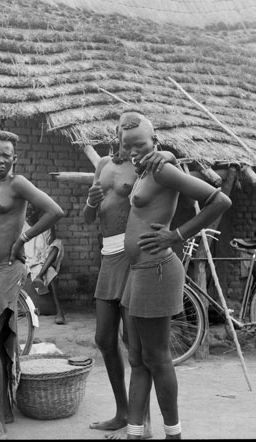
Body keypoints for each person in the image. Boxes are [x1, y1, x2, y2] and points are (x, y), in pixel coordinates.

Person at [119, 111, 231, 439]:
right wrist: (165, 154)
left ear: (154, 142)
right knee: (137, 357)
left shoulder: (162, 169)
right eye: (128, 146)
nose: (134, 151)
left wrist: (177, 235)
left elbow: (218, 199)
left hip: (157, 269)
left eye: (141, 145)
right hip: (138, 271)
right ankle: (135, 431)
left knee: (157, 357)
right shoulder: (142, 169)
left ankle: (173, 434)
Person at [83, 110, 180, 439]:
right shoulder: (102, 166)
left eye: (134, 140)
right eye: (121, 136)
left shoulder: (147, 164)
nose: (127, 144)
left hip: (132, 255)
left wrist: (165, 153)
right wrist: (90, 202)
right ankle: (123, 412)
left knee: (135, 345)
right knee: (104, 339)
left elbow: (169, 162)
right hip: (108, 257)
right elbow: (87, 218)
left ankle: (145, 421)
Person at [0, 130, 64, 439]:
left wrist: (23, 237)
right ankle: (4, 409)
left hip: (5, 272)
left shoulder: (18, 184)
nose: (1, 159)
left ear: (14, 159)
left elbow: (54, 211)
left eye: (6, 154)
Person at [23, 205, 66, 324]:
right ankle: (40, 276)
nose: (28, 214)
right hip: (29, 262)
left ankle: (59, 311)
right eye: (26, 211)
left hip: (45, 260)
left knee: (58, 244)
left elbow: (52, 245)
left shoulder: (46, 226)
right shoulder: (21, 227)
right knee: (50, 272)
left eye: (32, 210)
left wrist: (51, 226)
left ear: (38, 212)